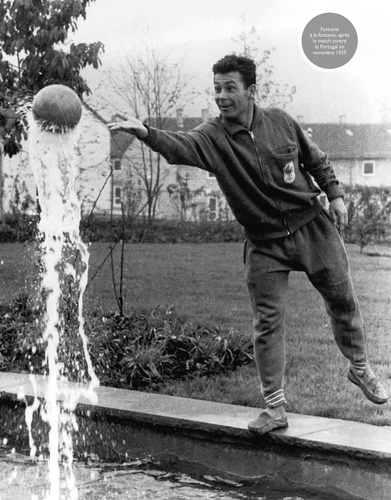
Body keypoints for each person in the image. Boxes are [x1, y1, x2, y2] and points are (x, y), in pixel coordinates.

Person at [108, 54, 388, 435]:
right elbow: (179, 146)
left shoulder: (281, 121)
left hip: (312, 227)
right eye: (217, 89)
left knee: (343, 302)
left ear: (252, 91)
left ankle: (359, 369)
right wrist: (145, 133)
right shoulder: (212, 136)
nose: (221, 97)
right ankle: (274, 409)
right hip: (264, 243)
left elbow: (316, 160)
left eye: (230, 88)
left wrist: (335, 195)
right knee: (267, 323)